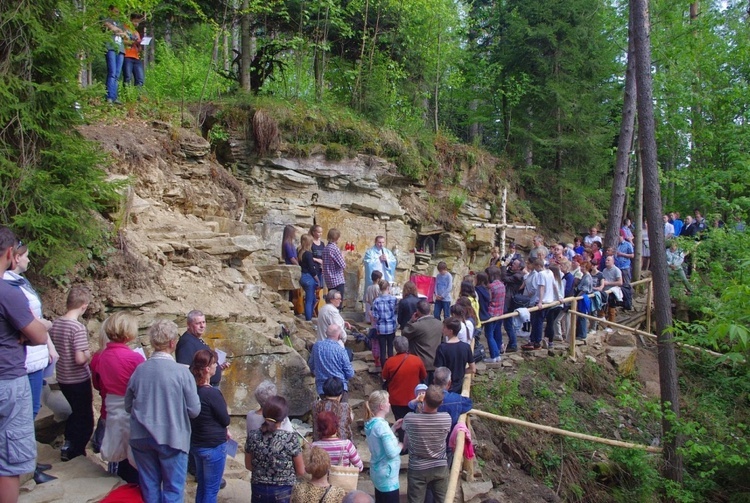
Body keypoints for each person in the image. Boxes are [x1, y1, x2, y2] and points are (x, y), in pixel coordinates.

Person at [126, 319, 201, 503]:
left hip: (141, 436)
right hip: (172, 437)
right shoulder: (182, 373)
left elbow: (128, 405)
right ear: (173, 343)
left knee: (149, 487)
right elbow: (194, 410)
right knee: (173, 489)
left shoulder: (139, 370)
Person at [0, 227, 49, 502]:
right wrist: (23, 334)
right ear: (10, 253)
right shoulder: (8, 292)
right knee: (9, 462)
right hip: (7, 378)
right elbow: (39, 334)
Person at [90, 312, 144, 483]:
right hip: (130, 410)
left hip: (111, 407)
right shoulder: (134, 358)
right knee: (134, 456)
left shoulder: (101, 356)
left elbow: (97, 384)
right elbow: (142, 387)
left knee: (116, 454)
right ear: (129, 333)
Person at [49, 286, 94, 462]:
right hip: (78, 378)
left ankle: (68, 443)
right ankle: (76, 449)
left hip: (62, 376)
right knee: (84, 415)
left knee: (75, 412)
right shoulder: (77, 328)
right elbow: (79, 358)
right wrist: (89, 354)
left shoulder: (56, 323)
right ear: (84, 306)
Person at [245, 396, 305, 503]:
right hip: (284, 490)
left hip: (258, 489)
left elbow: (248, 465)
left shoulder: (252, 436)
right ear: (283, 417)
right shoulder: (290, 438)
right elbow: (301, 471)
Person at [189, 349, 230, 503]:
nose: (216, 366)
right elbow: (225, 419)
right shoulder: (212, 394)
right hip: (213, 446)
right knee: (211, 490)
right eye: (214, 363)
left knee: (203, 487)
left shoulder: (193, 391)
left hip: (197, 444)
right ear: (207, 369)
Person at [401, 385, 452, 503]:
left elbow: (404, 427)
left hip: (417, 468)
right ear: (441, 403)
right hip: (440, 466)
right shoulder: (446, 418)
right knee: (442, 500)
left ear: (423, 399)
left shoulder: (409, 419)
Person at [364, 391, 403, 503]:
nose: (390, 404)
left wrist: (394, 428)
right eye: (388, 402)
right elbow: (391, 453)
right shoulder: (382, 426)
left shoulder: (371, 423)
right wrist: (401, 445)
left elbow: (379, 441)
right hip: (387, 475)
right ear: (381, 406)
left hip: (377, 472)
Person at [175, 310, 230, 388]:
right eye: (198, 323)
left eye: (203, 322)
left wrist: (217, 367)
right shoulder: (187, 343)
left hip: (209, 386)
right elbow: (184, 372)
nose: (202, 326)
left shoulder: (196, 339)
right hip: (201, 389)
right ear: (188, 325)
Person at [381, 336, 426, 423]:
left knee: (400, 422)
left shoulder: (389, 362)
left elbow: (384, 376)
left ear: (395, 347)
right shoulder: (417, 360)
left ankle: (401, 436)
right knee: (413, 423)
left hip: (396, 399)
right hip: (414, 398)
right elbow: (423, 376)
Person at [401, 300, 443, 385]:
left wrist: (411, 321)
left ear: (417, 312)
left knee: (421, 391)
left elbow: (404, 334)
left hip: (422, 364)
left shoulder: (416, 326)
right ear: (430, 310)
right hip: (436, 363)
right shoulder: (440, 324)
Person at [310, 325, 355, 400]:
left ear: (326, 333)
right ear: (339, 335)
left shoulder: (316, 346)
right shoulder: (340, 350)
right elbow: (350, 373)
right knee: (341, 410)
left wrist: (315, 373)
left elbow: (311, 364)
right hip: (339, 390)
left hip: (322, 388)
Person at [434, 317, 475, 394]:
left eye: (444, 327)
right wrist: (461, 372)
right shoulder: (466, 347)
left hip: (445, 387)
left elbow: (438, 371)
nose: (442, 329)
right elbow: (473, 369)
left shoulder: (442, 348)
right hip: (459, 385)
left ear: (450, 331)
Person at [312, 377, 354, 441]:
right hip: (342, 443)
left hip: (319, 443)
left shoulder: (315, 405)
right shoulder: (345, 407)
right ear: (341, 394)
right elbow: (349, 421)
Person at [103, 5, 127, 104]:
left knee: (117, 74)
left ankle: (114, 96)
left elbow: (125, 35)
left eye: (118, 11)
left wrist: (119, 31)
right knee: (112, 72)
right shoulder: (106, 19)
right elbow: (111, 28)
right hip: (111, 47)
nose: (117, 13)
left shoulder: (120, 23)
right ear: (110, 10)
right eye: (116, 11)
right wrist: (118, 31)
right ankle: (109, 96)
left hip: (120, 49)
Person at [371, 280, 398, 363]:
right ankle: (390, 367)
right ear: (388, 288)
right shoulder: (394, 299)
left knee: (382, 349)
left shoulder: (376, 301)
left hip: (381, 328)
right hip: (391, 327)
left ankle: (383, 370)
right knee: (390, 348)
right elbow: (396, 312)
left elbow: (375, 316)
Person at [485, 266, 506, 361]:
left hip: (491, 313)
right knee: (496, 332)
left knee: (489, 335)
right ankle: (497, 352)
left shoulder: (491, 286)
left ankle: (494, 355)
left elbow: (489, 299)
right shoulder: (502, 285)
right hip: (500, 313)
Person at [595, 256, 623, 322]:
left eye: (608, 260)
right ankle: (602, 316)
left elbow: (620, 282)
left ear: (613, 262)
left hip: (612, 291)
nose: (606, 261)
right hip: (604, 291)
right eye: (606, 260)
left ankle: (610, 326)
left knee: (611, 310)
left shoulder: (616, 270)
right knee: (599, 304)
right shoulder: (604, 270)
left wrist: (608, 283)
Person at [298, 234, 319, 321]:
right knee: (309, 301)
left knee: (313, 300)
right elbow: (311, 268)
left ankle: (309, 315)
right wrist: (317, 279)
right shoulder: (308, 254)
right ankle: (308, 320)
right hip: (308, 277)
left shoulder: (299, 252)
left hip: (302, 276)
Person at [322, 229, 347, 301]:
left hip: (329, 279)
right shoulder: (335, 249)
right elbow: (343, 265)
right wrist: (343, 255)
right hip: (337, 279)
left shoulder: (325, 248)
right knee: (337, 302)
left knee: (331, 301)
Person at [122, 13, 145, 87]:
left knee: (140, 78)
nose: (136, 24)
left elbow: (139, 48)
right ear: (130, 20)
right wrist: (132, 42)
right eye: (135, 21)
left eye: (138, 22)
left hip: (136, 57)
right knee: (128, 77)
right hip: (127, 56)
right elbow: (121, 41)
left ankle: (137, 96)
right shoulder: (125, 29)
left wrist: (140, 44)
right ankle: (127, 96)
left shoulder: (136, 33)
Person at [615, 233, 634, 309]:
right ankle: (620, 301)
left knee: (627, 284)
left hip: (625, 266)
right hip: (617, 267)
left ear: (622, 236)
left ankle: (629, 301)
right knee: (619, 285)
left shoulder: (628, 244)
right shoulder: (616, 244)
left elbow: (632, 255)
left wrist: (622, 254)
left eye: (619, 236)